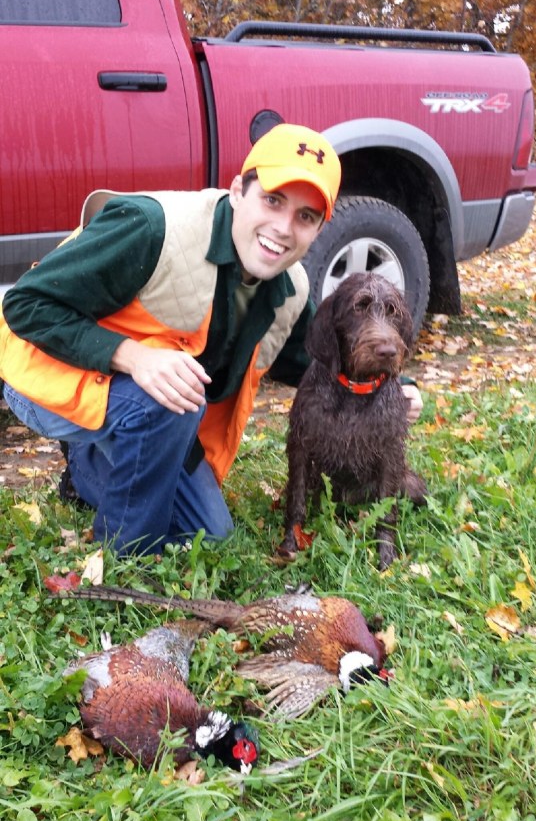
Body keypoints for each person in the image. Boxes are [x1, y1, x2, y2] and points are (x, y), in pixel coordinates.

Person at [0, 123, 423, 556]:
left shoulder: (290, 289)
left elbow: (314, 360)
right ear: (238, 190)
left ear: (318, 230)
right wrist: (133, 356)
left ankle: (86, 467)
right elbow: (25, 304)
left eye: (305, 217)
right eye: (273, 200)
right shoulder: (153, 228)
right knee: (167, 400)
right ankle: (128, 555)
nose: (283, 227)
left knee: (210, 532)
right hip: (41, 373)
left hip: (147, 403)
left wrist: (396, 383)